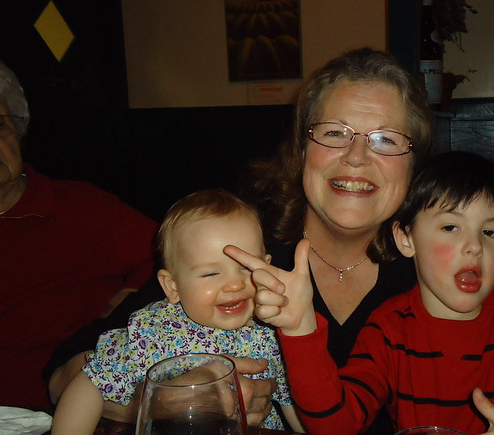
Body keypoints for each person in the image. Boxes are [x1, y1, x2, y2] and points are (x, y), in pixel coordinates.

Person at [47, 47, 434, 433]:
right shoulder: (233, 245)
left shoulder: (437, 267)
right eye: (335, 133)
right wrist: (166, 401)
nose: (356, 157)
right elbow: (63, 376)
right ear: (301, 150)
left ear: (413, 164)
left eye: (386, 139)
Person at [247, 151, 494, 435]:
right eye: (451, 227)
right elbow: (335, 425)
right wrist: (300, 328)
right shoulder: (388, 328)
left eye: (490, 232)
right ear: (406, 238)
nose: (474, 247)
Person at [51, 188, 303, 434]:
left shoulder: (271, 338)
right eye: (211, 273)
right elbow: (91, 383)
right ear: (172, 286)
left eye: (247, 268)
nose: (235, 284)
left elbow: (296, 406)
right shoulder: (153, 332)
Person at [0, 60, 158, 410]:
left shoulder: (80, 207)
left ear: (18, 128)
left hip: (72, 407)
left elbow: (176, 253)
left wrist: (133, 294)